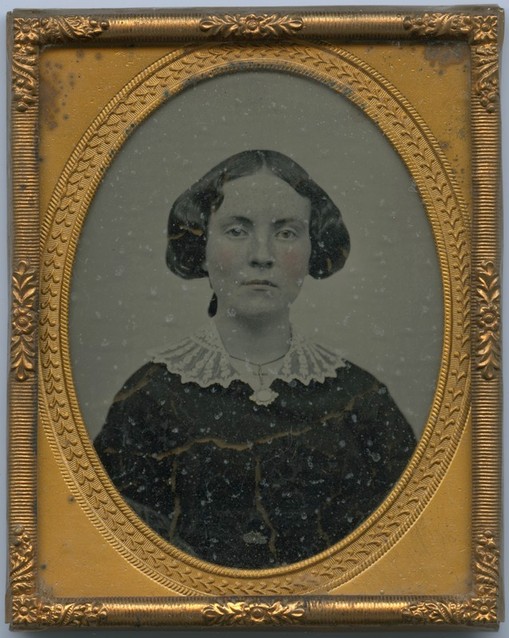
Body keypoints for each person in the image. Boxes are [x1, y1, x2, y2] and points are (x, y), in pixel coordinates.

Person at [94, 150, 417, 569]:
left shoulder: (363, 401)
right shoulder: (147, 400)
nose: (261, 254)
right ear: (202, 245)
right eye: (237, 230)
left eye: (286, 233)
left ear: (312, 247)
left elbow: (410, 553)